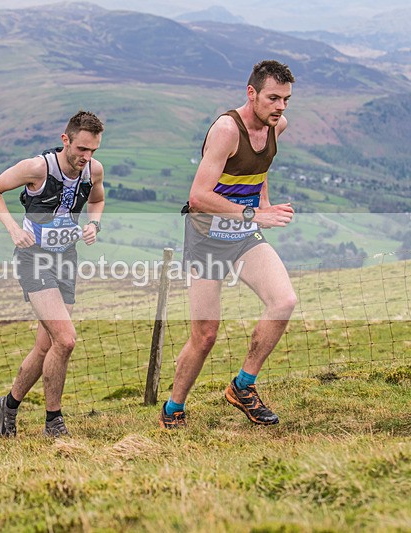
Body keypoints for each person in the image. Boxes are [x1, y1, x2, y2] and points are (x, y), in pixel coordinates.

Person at [159, 60, 298, 429]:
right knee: (204, 335)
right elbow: (198, 196)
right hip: (206, 237)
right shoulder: (226, 130)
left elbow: (260, 166)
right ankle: (173, 409)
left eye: (285, 99)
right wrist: (256, 215)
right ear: (251, 93)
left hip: (242, 234)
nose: (280, 107)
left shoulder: (276, 125)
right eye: (272, 98)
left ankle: (242, 386)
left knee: (283, 301)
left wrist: (263, 202)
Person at [0, 110, 105, 438]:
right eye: (81, 149)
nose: (86, 157)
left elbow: (98, 199)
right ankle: (54, 421)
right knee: (65, 340)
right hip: (33, 258)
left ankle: (8, 404)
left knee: (45, 346)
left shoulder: (93, 170)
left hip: (66, 259)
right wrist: (12, 229)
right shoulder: (38, 168)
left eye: (93, 150)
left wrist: (93, 224)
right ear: (65, 140)